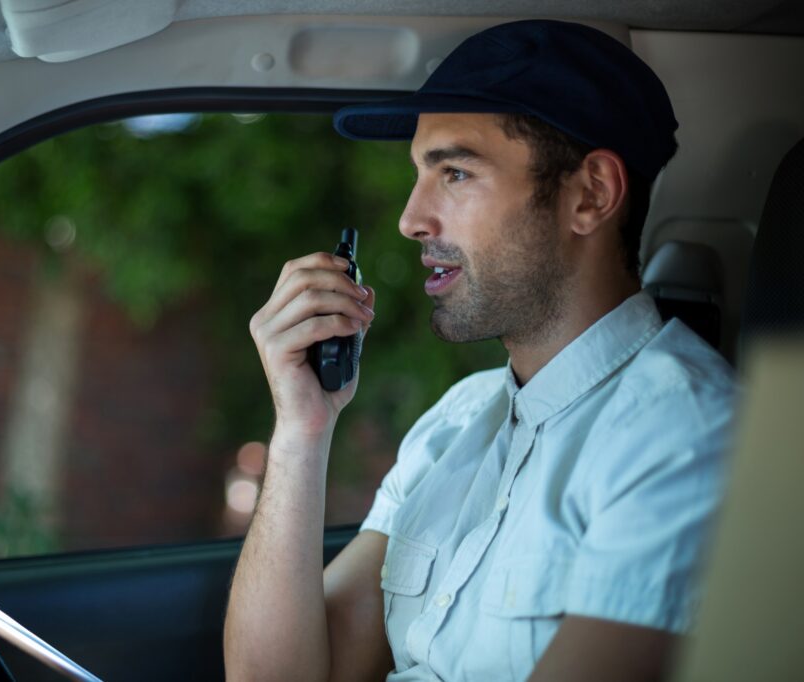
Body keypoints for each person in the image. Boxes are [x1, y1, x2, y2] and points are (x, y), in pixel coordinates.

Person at [224, 19, 737, 682]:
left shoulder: (687, 439)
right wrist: (301, 431)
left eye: (456, 173)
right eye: (419, 174)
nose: (412, 219)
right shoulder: (457, 420)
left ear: (591, 195)